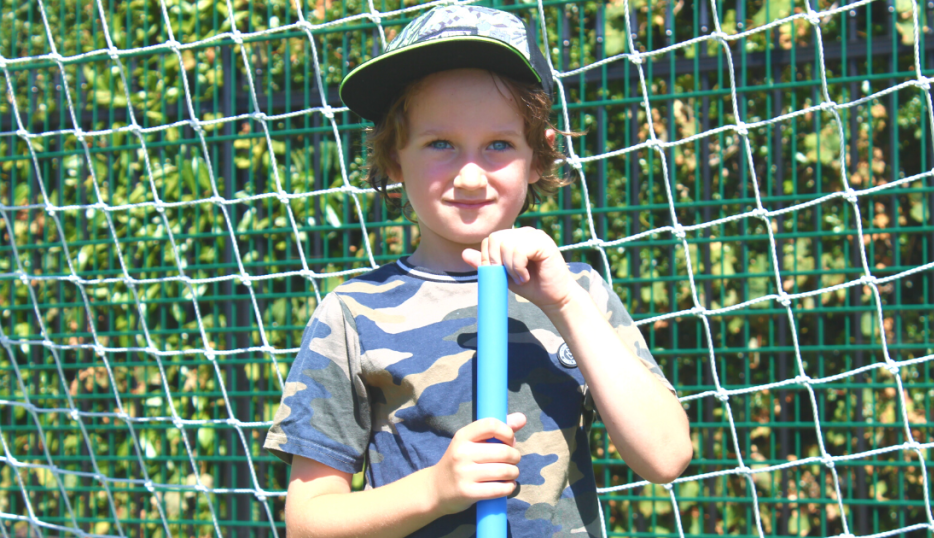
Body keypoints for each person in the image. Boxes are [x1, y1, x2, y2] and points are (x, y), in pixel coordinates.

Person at [263, 5, 692, 537]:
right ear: (394, 160)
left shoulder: (578, 292)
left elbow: (666, 457)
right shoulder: (353, 314)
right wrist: (435, 491)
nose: (469, 175)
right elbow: (308, 523)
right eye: (440, 143)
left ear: (539, 156)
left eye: (499, 145)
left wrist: (563, 304)